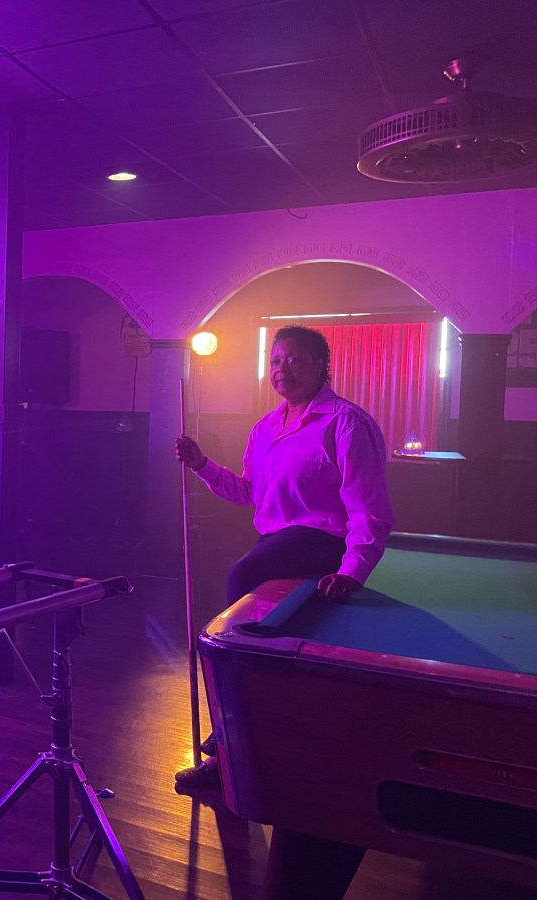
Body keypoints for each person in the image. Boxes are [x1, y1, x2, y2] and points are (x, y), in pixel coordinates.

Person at [173, 325, 395, 900]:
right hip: (279, 546)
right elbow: (248, 493)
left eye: (296, 359)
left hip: (319, 546)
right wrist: (201, 465)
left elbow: (369, 511)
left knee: (240, 581)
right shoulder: (266, 428)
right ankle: (236, 750)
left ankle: (233, 750)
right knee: (249, 609)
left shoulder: (347, 423)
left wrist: (351, 573)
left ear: (324, 365)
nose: (282, 369)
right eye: (275, 360)